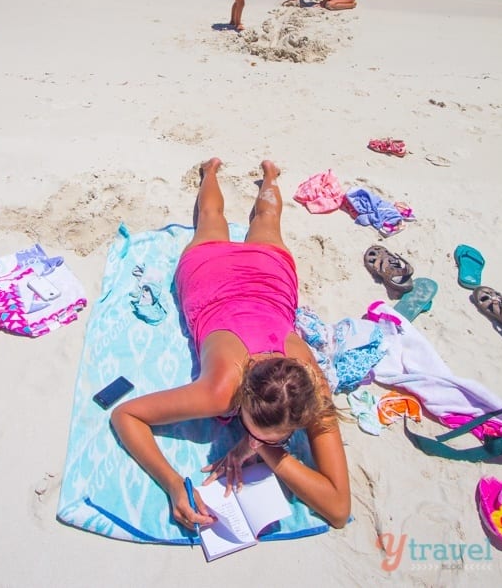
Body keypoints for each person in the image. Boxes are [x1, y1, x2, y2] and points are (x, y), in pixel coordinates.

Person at [111, 158, 351, 534]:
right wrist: (174, 484)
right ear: (241, 397)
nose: (254, 438)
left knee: (229, 219)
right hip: (213, 276)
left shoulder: (309, 392)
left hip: (262, 277)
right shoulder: (222, 390)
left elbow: (339, 511)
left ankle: (232, 172)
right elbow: (124, 415)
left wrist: (263, 448)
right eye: (253, 429)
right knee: (236, 220)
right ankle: (236, 173)